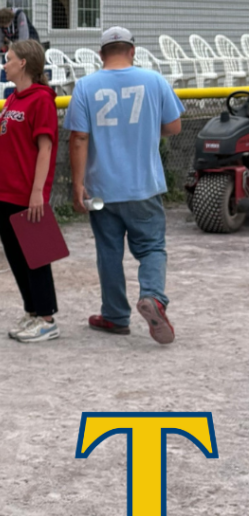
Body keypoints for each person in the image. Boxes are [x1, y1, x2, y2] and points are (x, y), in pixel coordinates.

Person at [64, 26, 184, 344]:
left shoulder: (86, 87)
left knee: (109, 251)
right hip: (145, 185)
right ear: (132, 51)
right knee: (152, 247)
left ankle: (115, 316)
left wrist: (77, 185)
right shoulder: (155, 81)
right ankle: (153, 297)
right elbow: (174, 125)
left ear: (101, 55)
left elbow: (78, 138)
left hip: (102, 190)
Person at [0, 39, 60, 342]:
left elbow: (45, 148)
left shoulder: (41, 100)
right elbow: (12, 136)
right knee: (15, 256)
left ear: (23, 63)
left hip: (26, 193)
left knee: (36, 256)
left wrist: (38, 191)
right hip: (2, 189)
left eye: (9, 58)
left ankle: (47, 318)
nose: (5, 63)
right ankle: (32, 311)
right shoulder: (13, 98)